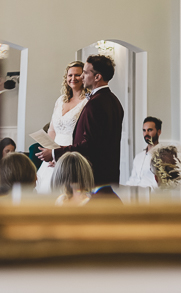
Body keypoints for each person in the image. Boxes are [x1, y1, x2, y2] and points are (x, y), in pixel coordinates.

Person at [37, 55, 124, 188]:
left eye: (85, 72)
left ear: (97, 77)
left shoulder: (95, 103)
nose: (82, 77)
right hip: (108, 171)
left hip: (94, 172)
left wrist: (55, 154)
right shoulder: (114, 101)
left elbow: (89, 144)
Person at [35, 61, 88, 194]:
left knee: (65, 190)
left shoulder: (87, 101)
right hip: (54, 150)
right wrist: (50, 152)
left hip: (71, 151)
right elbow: (52, 130)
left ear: (83, 77)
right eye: (70, 75)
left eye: (77, 75)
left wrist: (60, 156)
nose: (73, 78)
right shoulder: (61, 100)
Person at [126, 116, 162, 189]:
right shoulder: (138, 157)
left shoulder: (163, 156)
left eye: (150, 130)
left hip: (151, 197)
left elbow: (160, 185)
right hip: (134, 196)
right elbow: (132, 179)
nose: (146, 134)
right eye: (144, 130)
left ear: (158, 132)